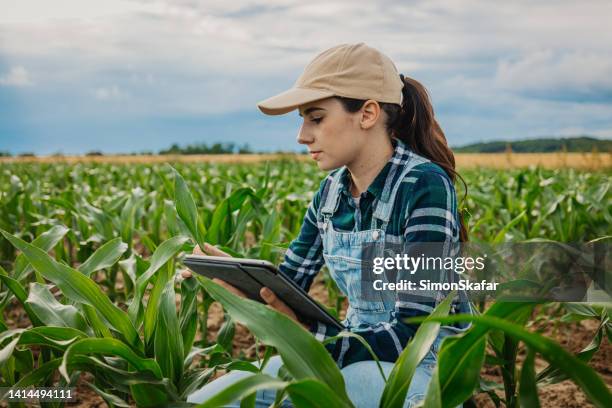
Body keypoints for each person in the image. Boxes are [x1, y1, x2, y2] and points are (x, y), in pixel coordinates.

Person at [182, 42, 473, 407]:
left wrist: (314, 338)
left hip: (422, 372)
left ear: (367, 114)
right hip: (350, 357)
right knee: (212, 400)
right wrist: (243, 283)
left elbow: (413, 333)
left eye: (316, 118)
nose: (303, 136)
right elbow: (290, 287)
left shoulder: (423, 186)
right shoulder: (330, 194)